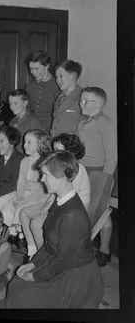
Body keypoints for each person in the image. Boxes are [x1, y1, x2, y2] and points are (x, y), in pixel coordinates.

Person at [0, 151, 104, 309]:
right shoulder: (60, 201)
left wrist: (35, 277)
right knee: (18, 283)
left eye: (45, 175)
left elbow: (63, 260)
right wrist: (33, 264)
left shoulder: (72, 215)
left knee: (22, 295)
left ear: (61, 177)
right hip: (58, 262)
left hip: (75, 277)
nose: (42, 179)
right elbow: (49, 244)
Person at [25, 133, 91, 257]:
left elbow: (68, 198)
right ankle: (40, 254)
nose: (53, 153)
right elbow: (56, 194)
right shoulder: (60, 167)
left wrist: (48, 211)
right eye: (54, 149)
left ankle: (43, 256)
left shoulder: (77, 169)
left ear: (70, 152)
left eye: (58, 150)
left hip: (74, 210)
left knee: (36, 223)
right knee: (32, 215)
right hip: (62, 205)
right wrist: (45, 207)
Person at [77, 86, 117, 267]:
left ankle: (105, 250)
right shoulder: (82, 121)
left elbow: (111, 154)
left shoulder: (105, 122)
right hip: (82, 171)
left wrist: (105, 178)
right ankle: (85, 248)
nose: (81, 103)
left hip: (99, 172)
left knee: (100, 211)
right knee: (84, 209)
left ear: (99, 103)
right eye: (81, 99)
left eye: (86, 101)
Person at [0, 130, 52, 249]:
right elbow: (20, 182)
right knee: (7, 207)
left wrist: (24, 199)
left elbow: (44, 186)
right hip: (24, 193)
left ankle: (21, 232)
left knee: (20, 208)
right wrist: (19, 197)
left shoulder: (45, 162)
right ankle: (14, 231)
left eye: (29, 142)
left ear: (39, 145)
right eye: (24, 142)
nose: (24, 145)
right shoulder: (24, 161)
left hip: (39, 195)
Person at [24, 50, 60, 133]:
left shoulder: (58, 85)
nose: (33, 72)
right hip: (32, 129)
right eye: (31, 69)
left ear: (47, 65)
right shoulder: (29, 87)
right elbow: (27, 112)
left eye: (37, 68)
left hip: (52, 130)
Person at [50, 59, 83, 137]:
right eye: (57, 77)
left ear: (72, 76)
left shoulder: (82, 97)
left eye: (61, 76)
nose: (58, 80)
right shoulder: (59, 98)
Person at [8, 89, 43, 154]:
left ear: (25, 103)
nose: (12, 106)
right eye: (10, 103)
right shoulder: (12, 122)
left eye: (15, 103)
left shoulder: (33, 121)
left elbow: (39, 144)